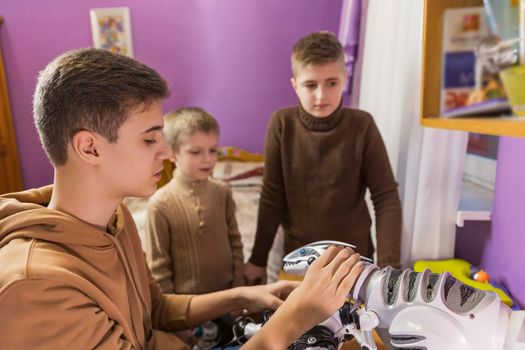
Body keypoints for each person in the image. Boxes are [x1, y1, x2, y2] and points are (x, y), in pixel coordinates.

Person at [0, 48, 364, 349]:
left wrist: (242, 296)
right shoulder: (35, 288)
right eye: (149, 139)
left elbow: (154, 308)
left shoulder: (115, 218)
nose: (165, 152)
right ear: (90, 148)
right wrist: (297, 314)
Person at [244, 31, 402, 286]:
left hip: (355, 260)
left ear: (345, 79)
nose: (321, 95)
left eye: (331, 83)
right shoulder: (282, 124)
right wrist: (257, 259)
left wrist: (389, 268)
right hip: (300, 261)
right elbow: (272, 197)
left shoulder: (362, 125)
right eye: (310, 85)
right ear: (295, 85)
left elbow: (386, 197)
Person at [144, 107, 243, 347]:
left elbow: (236, 244)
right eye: (196, 152)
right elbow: (159, 269)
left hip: (227, 301)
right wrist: (175, 320)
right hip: (189, 311)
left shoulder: (222, 192)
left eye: (213, 151)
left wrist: (239, 292)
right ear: (173, 153)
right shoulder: (159, 204)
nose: (207, 159)